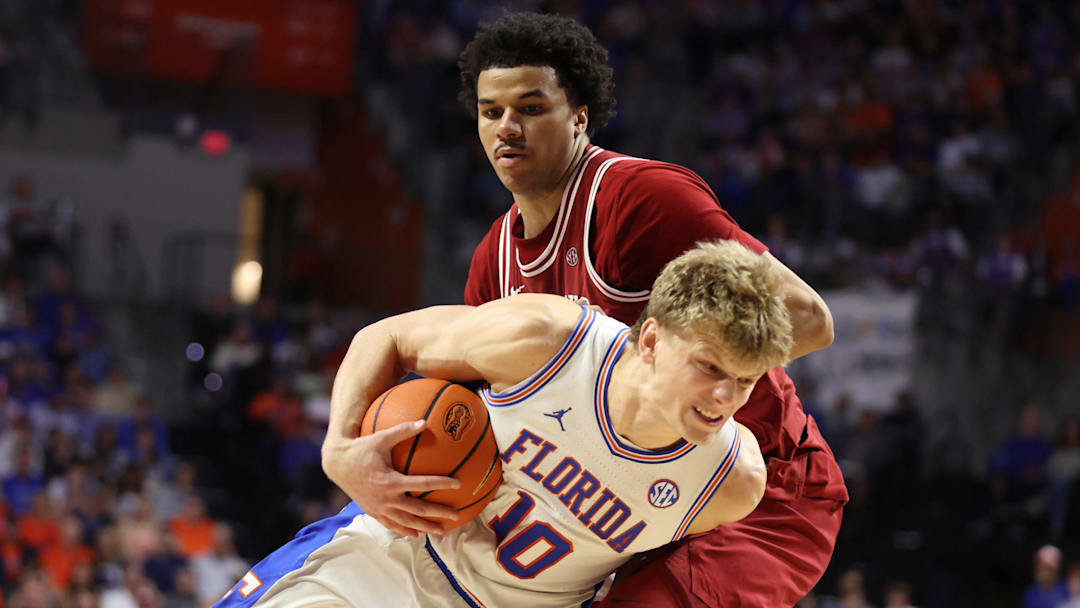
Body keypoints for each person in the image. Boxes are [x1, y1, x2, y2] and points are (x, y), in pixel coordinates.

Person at [458, 11, 847, 607]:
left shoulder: (641, 200)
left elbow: (809, 320)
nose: (508, 127)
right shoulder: (495, 260)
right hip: (618, 499)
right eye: (492, 112)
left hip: (761, 491)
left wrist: (686, 388)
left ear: (579, 116)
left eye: (532, 108)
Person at [219, 241, 789, 607]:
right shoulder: (548, 341)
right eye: (709, 367)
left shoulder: (732, 483)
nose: (724, 398)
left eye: (744, 380)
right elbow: (386, 337)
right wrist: (340, 445)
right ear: (652, 339)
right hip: (395, 554)